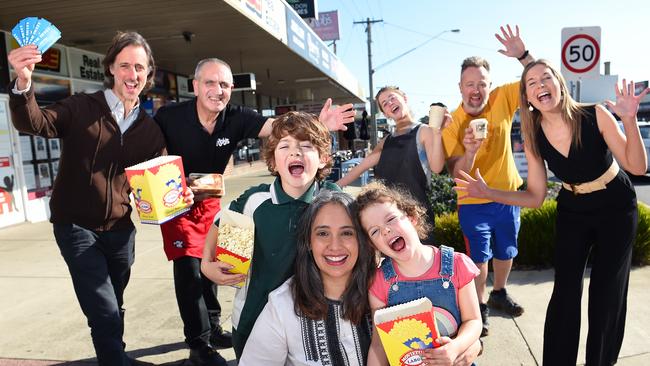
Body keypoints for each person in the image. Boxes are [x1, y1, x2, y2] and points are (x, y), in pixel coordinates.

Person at [153, 58, 354, 365]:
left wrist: (317, 127)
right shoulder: (169, 116)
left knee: (228, 264)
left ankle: (214, 325)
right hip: (175, 195)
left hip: (207, 191)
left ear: (232, 89)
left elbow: (283, 131)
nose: (217, 90)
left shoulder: (237, 117)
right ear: (195, 86)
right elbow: (149, 151)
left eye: (224, 85)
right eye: (209, 82)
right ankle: (198, 343)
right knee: (191, 269)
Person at [454, 59, 649, 366]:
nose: (540, 85)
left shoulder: (594, 114)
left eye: (546, 78)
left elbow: (637, 167)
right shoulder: (534, 136)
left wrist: (629, 120)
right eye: (531, 83)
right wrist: (487, 192)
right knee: (565, 293)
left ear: (560, 84)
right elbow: (534, 196)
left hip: (616, 206)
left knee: (606, 293)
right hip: (573, 208)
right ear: (527, 98)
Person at [6, 32, 180, 365]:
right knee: (102, 306)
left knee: (112, 303)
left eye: (139, 68)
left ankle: (115, 351)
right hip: (76, 226)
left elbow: (160, 180)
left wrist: (171, 195)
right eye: (125, 65)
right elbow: (35, 122)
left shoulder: (149, 129)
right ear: (112, 68)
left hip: (120, 230)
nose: (133, 75)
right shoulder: (82, 107)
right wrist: (23, 83)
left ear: (149, 74)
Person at [201, 111, 341, 358]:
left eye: (305, 146)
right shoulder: (255, 201)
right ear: (274, 161)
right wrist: (206, 264)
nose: (295, 152)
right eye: (284, 146)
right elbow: (219, 222)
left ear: (322, 159)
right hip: (252, 317)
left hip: (314, 323)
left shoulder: (335, 202)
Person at [441, 25, 535, 336]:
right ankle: (479, 306)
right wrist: (469, 152)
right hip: (473, 202)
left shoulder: (502, 98)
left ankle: (499, 293)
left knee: (506, 251)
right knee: (478, 259)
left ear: (489, 84)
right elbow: (455, 172)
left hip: (507, 196)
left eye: (481, 83)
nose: (476, 90)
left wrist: (523, 55)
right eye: (470, 84)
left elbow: (538, 81)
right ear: (460, 87)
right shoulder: (453, 122)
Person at [239, 190, 375, 365]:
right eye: (323, 233)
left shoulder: (387, 289)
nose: (335, 246)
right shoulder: (283, 306)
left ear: (361, 240)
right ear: (309, 242)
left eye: (347, 233)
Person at [354, 182, 482, 366]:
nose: (386, 230)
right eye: (374, 231)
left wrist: (455, 347)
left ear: (411, 217)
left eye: (390, 219)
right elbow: (379, 344)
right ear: (373, 245)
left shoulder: (456, 264)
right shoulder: (380, 282)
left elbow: (473, 321)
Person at [337, 86, 447, 244]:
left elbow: (437, 167)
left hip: (418, 220)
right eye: (384, 104)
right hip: (388, 222)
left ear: (405, 98)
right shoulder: (386, 142)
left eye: (392, 98)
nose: (390, 103)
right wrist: (331, 187)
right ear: (385, 113)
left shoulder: (424, 131)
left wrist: (437, 133)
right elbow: (359, 169)